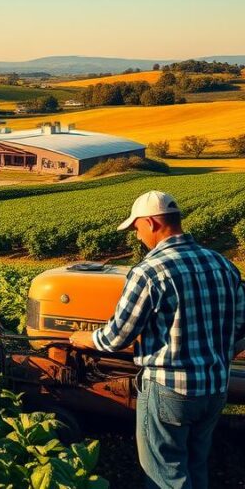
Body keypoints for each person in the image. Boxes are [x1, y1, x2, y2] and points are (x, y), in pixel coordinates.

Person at [69, 191, 245, 489]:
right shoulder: (222, 264)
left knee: (165, 475)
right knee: (195, 464)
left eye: (136, 229)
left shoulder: (149, 271)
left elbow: (115, 337)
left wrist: (84, 338)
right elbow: (241, 327)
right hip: (215, 388)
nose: (137, 237)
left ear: (151, 223)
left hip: (169, 390)